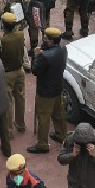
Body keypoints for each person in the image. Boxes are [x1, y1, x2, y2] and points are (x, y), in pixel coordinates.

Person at [28, 27, 68, 155]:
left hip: (45, 91)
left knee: (43, 117)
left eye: (45, 38)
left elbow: (35, 70)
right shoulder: (62, 49)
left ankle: (42, 144)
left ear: (50, 41)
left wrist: (36, 55)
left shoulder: (44, 57)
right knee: (59, 113)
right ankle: (61, 134)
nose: (43, 40)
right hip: (58, 87)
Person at [0, 12, 28, 135]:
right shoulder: (21, 35)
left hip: (7, 73)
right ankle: (20, 124)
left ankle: (9, 130)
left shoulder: (2, 40)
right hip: (20, 71)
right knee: (20, 98)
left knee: (8, 102)